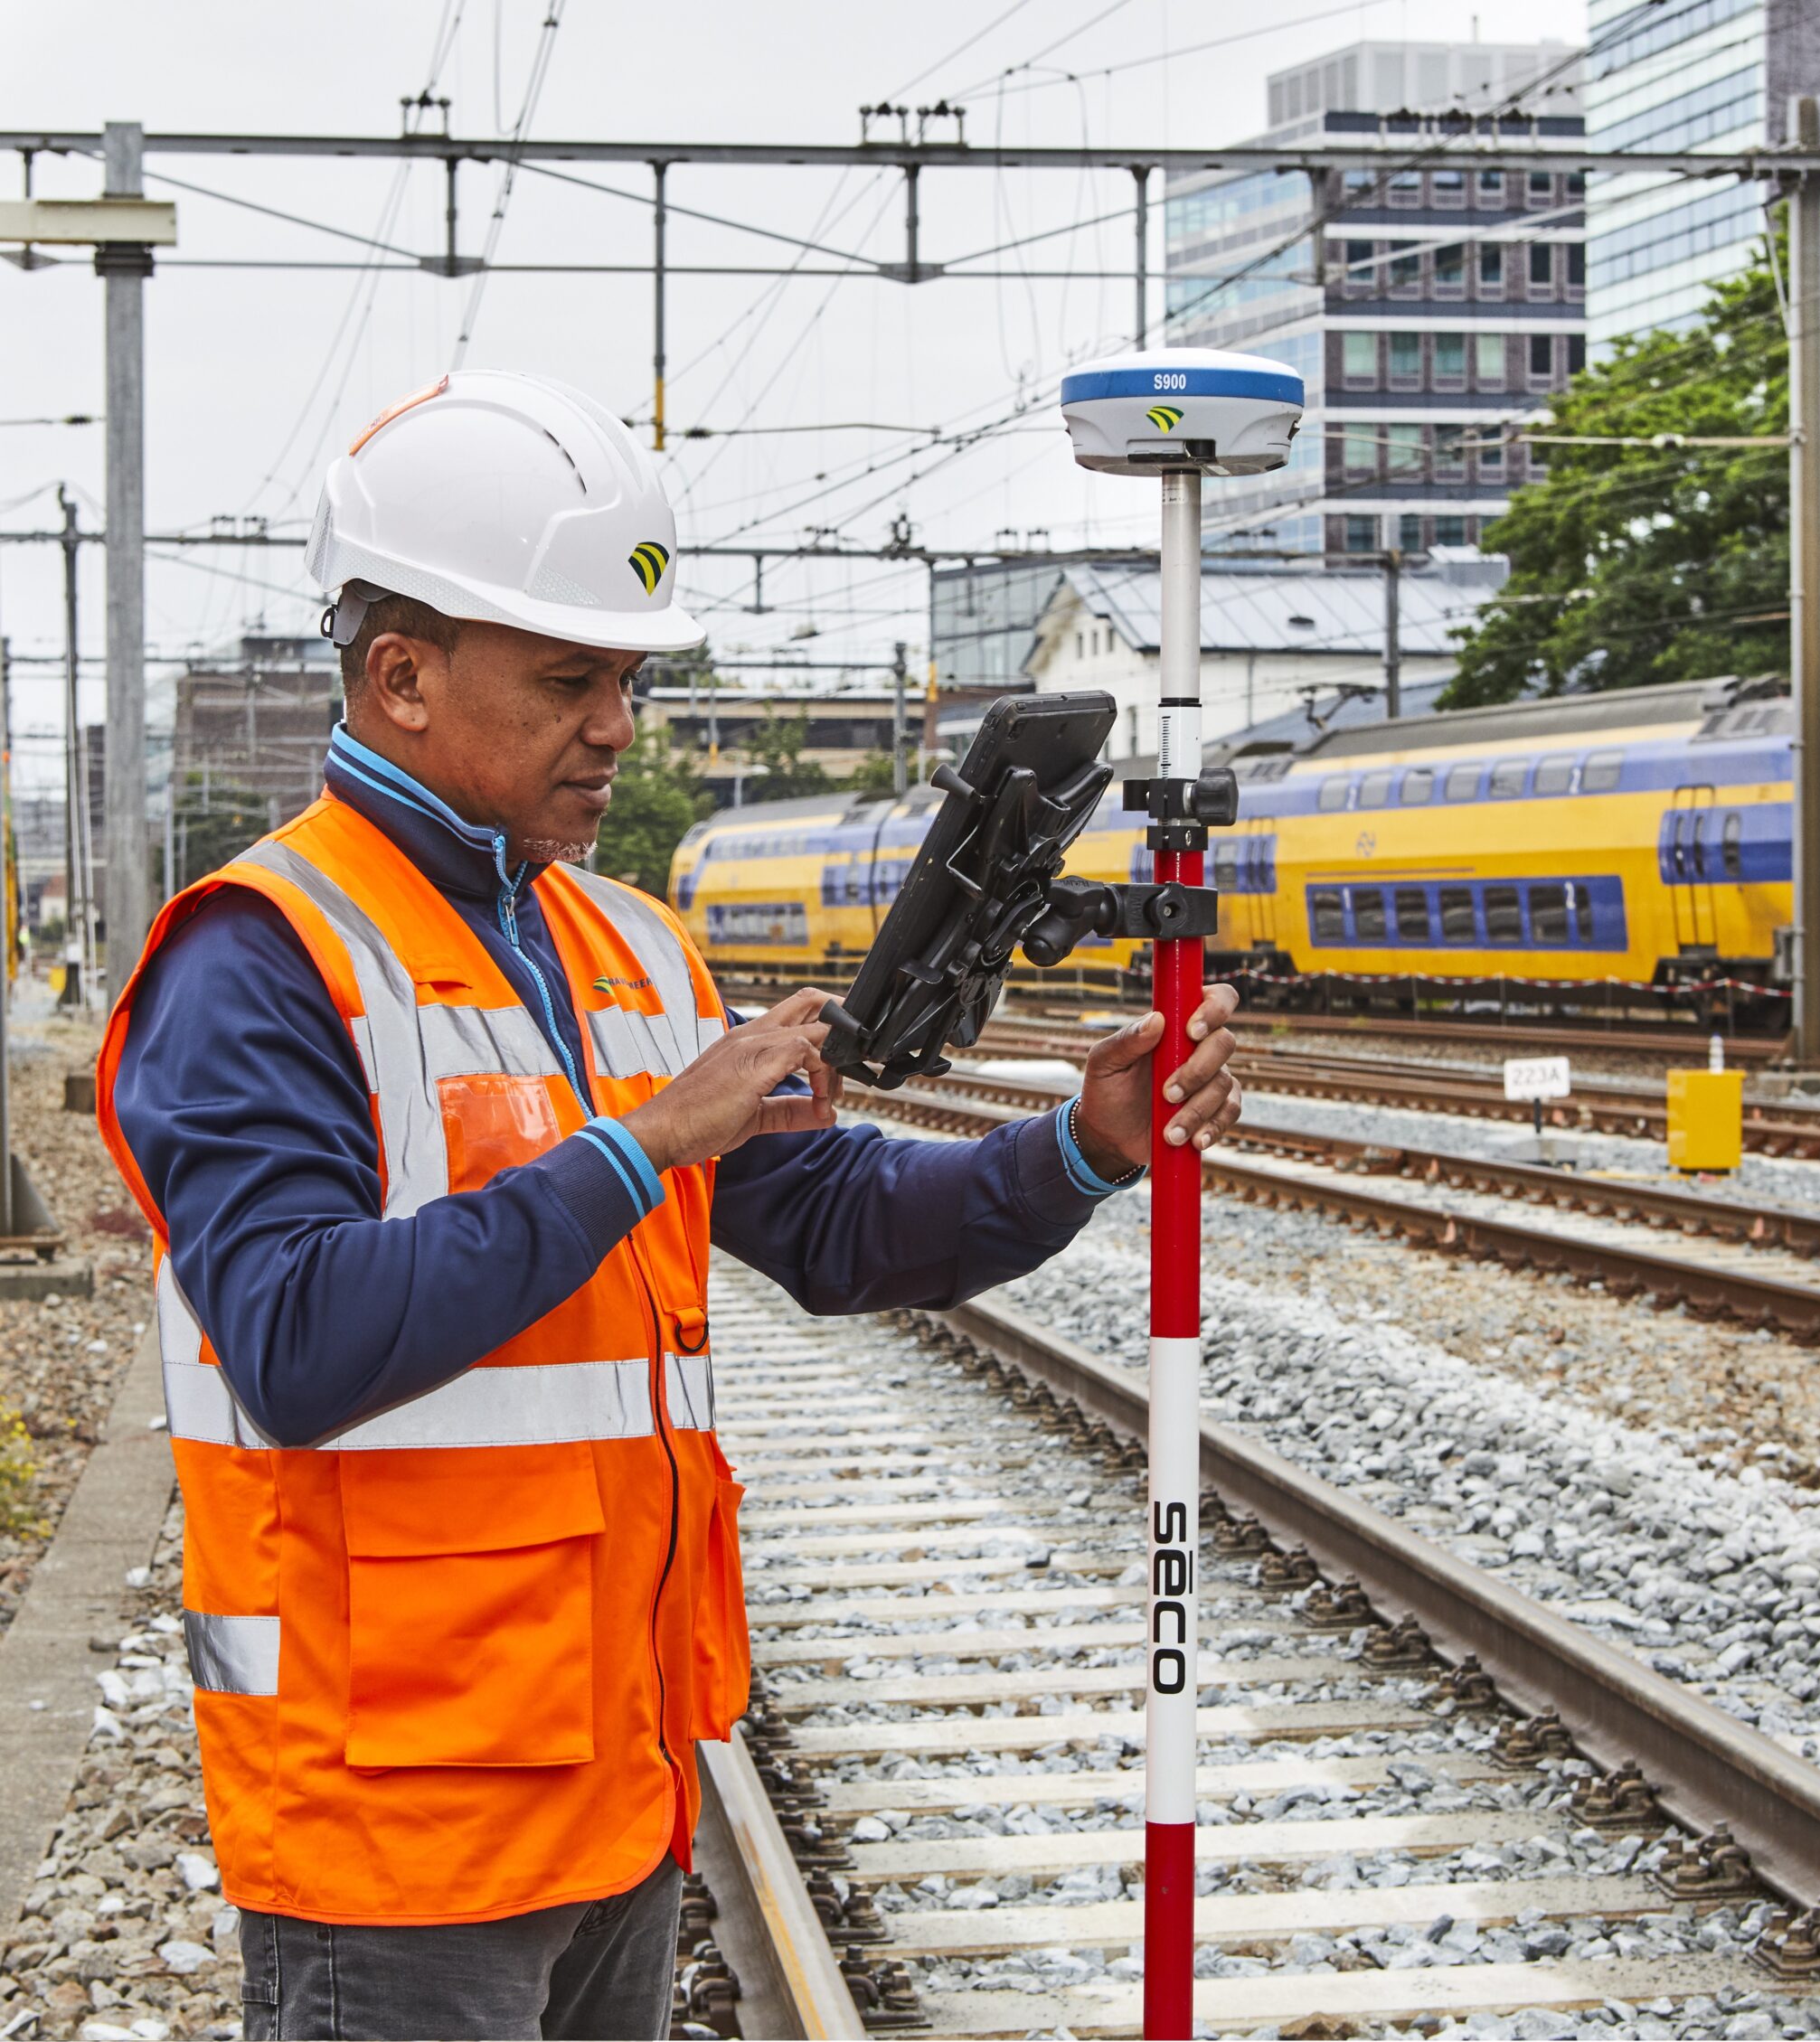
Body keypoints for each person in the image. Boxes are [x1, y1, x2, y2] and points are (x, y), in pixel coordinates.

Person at [93, 370, 1244, 2042]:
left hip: (614, 1778)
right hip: (393, 1823)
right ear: (400, 676)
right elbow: (297, 1340)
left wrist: (1081, 1147)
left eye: (625, 680)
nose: (618, 726)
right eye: (570, 680)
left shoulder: (628, 941)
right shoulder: (259, 954)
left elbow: (839, 1225)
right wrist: (645, 1147)